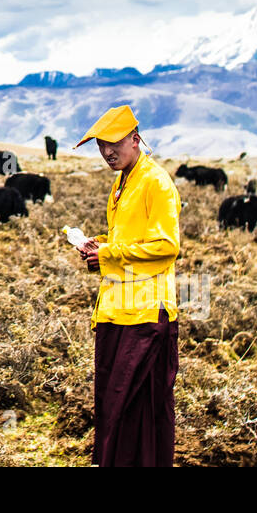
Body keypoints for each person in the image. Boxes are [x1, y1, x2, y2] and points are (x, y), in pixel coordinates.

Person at [72, 104, 180, 467]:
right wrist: (99, 246)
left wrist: (110, 255)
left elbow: (166, 247)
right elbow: (128, 239)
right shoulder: (121, 183)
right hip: (117, 311)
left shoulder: (156, 182)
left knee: (139, 409)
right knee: (114, 407)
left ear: (136, 140)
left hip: (147, 314)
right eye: (100, 145)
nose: (107, 152)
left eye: (113, 143)